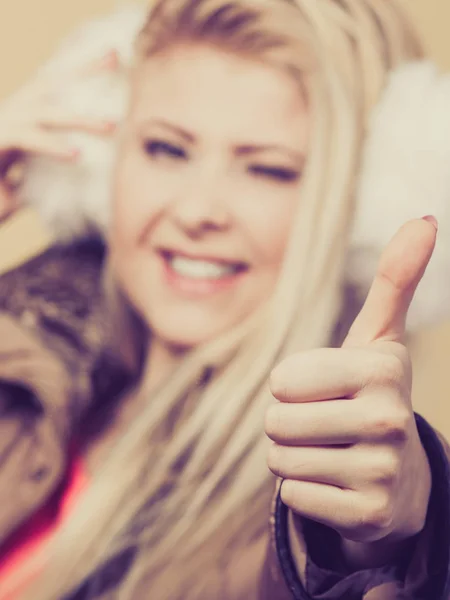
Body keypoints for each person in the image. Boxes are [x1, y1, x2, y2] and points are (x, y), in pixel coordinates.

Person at [0, 0, 448, 599]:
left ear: (362, 212)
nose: (196, 212)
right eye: (167, 149)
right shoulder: (26, 372)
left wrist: (388, 537)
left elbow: (336, 568)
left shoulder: (301, 495)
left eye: (266, 170)